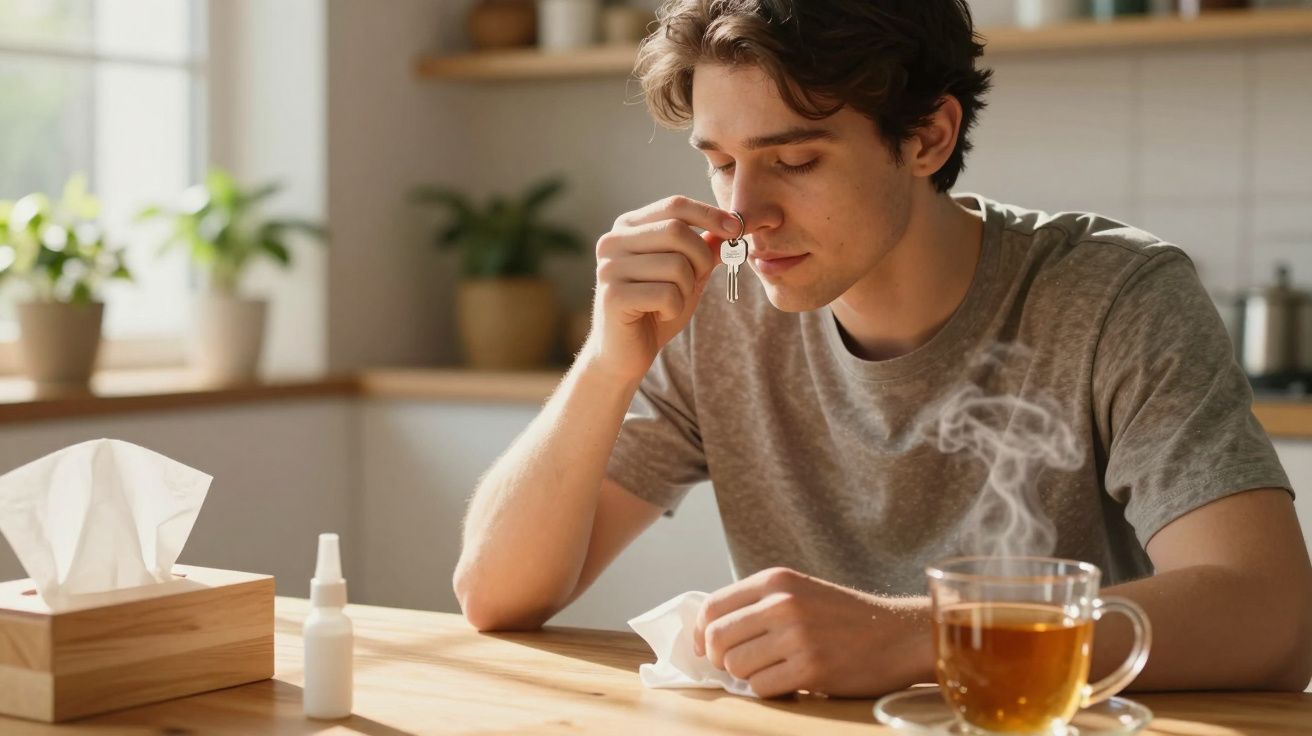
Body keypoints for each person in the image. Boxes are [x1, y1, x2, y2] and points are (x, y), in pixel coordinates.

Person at [453, 0, 1312, 697]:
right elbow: (495, 596)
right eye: (719, 163)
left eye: (791, 159)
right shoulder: (719, 311)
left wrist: (913, 640)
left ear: (927, 138)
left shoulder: (1113, 296)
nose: (744, 213)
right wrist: (608, 363)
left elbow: (1272, 618)